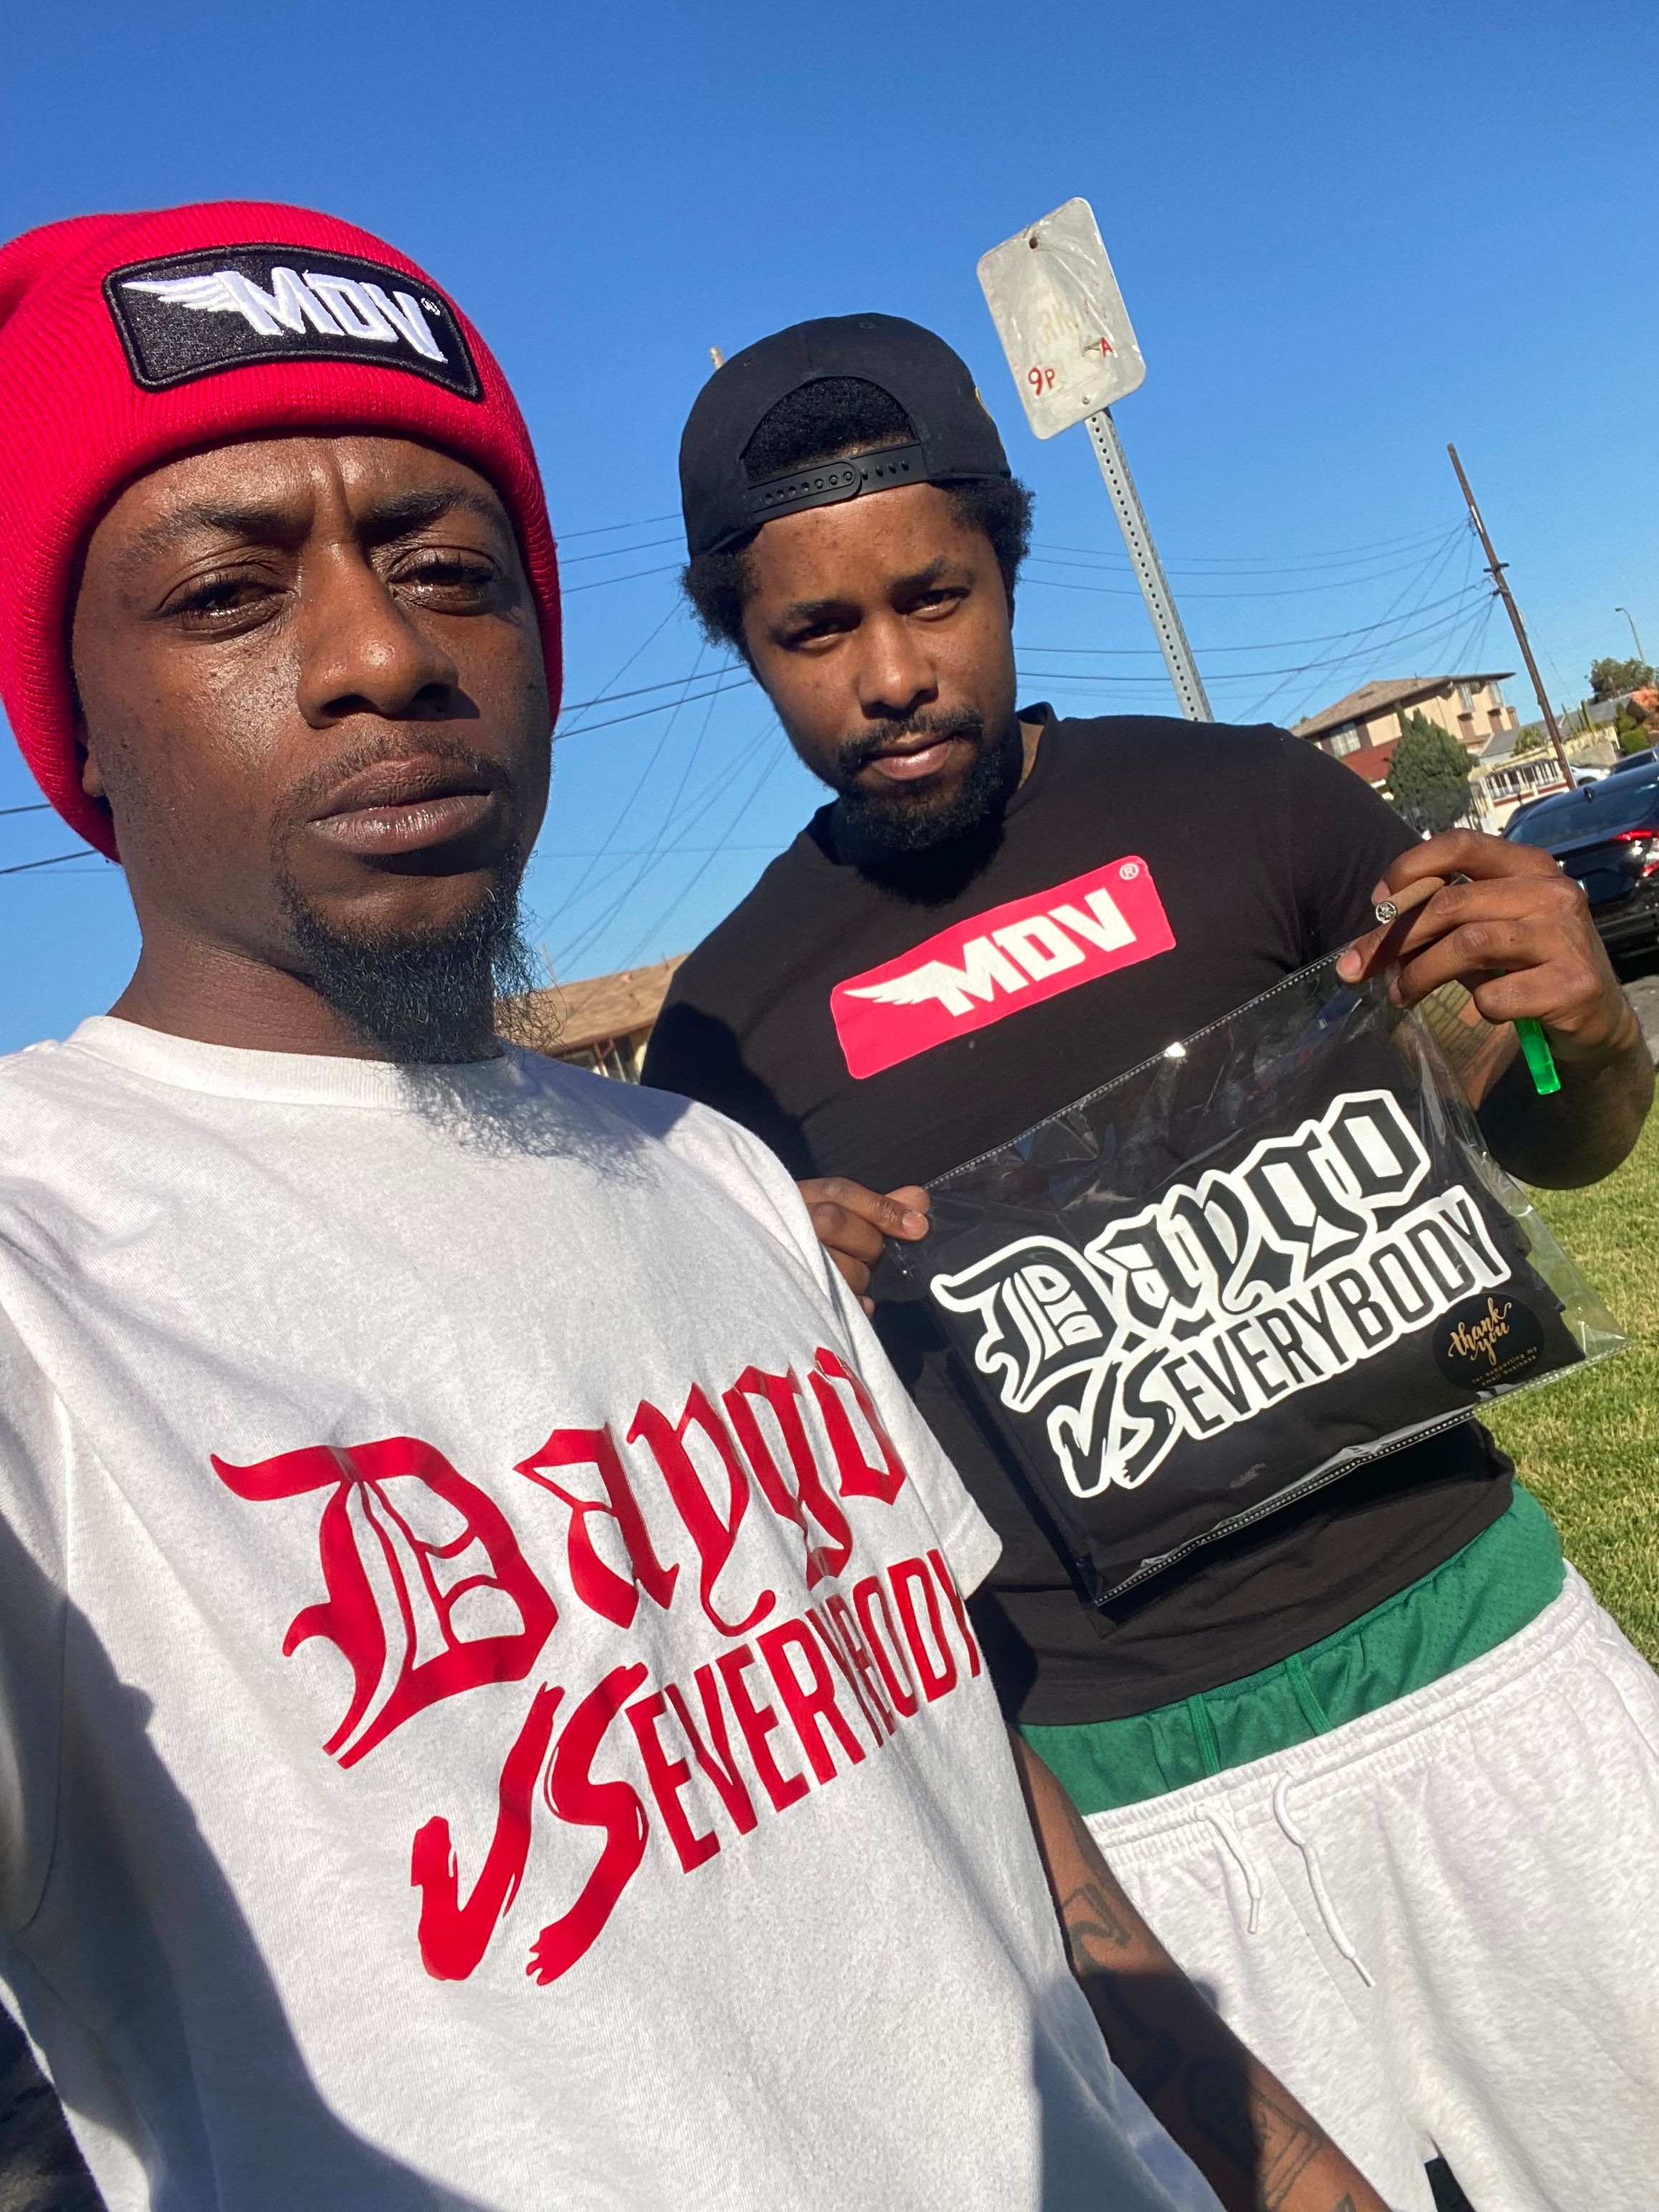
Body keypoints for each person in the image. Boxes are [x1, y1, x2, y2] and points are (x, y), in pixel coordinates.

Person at [0, 203, 1392, 2212]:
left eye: (451, 570)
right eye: (227, 593)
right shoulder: (51, 1276)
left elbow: (956, 1783)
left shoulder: (709, 1171)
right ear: (74, 726)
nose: (386, 653)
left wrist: (1280, 2169)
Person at [643, 311, 1659, 2212]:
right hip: (1129, 1817)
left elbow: (1545, 1132)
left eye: (931, 597)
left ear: (1006, 563)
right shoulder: (722, 1024)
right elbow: (764, 1482)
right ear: (738, 644)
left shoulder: (1241, 804)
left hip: (1481, 1662)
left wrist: (1580, 1036)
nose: (889, 676)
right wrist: (774, 1304)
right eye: (812, 633)